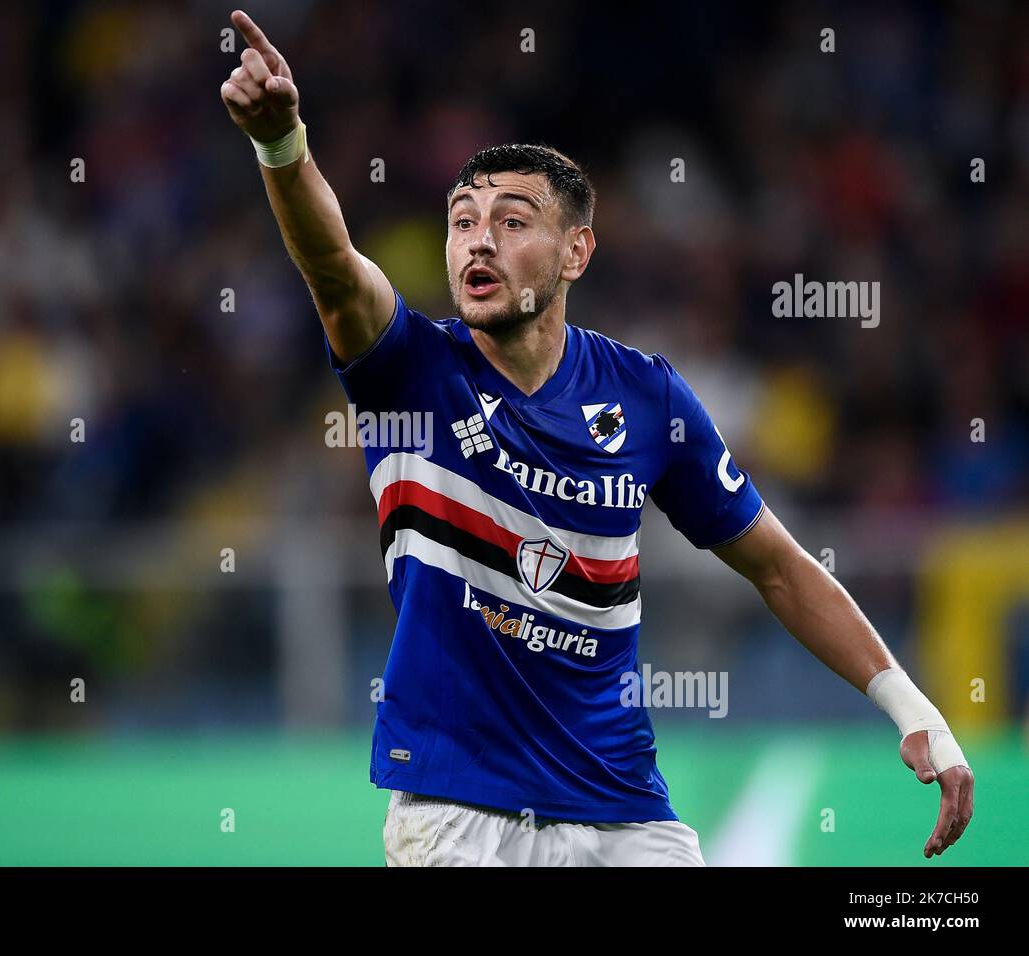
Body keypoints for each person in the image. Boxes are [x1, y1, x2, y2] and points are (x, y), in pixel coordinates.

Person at [219, 9, 974, 866]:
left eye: (512, 221)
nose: (479, 239)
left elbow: (778, 566)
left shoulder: (647, 396)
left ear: (575, 251)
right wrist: (282, 144)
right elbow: (331, 264)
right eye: (463, 220)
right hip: (459, 815)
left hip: (623, 810)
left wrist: (916, 710)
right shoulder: (411, 370)